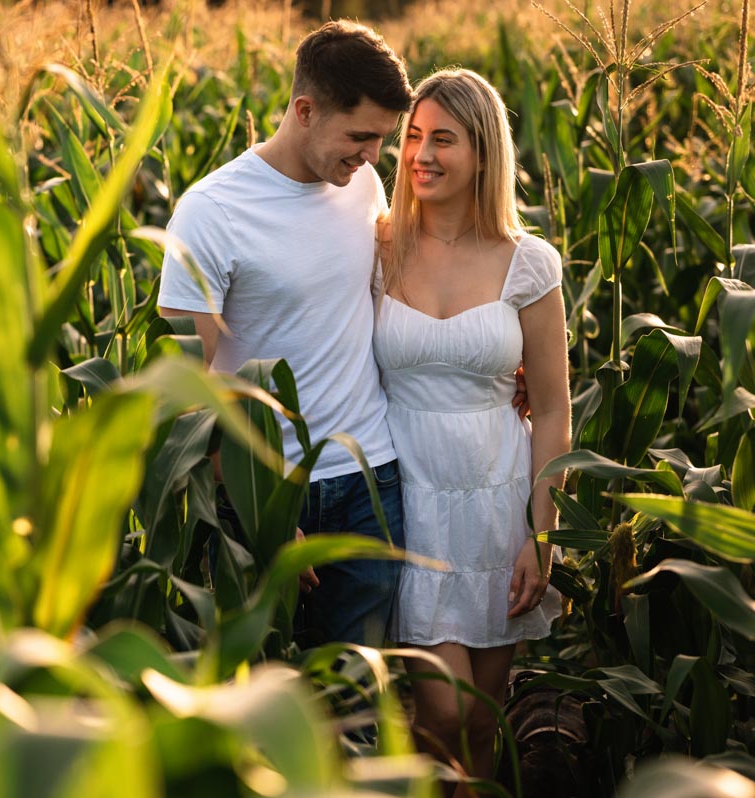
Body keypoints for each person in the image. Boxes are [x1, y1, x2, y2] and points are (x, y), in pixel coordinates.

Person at [157, 20, 413, 648]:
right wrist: (255, 509)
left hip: (369, 482)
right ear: (305, 110)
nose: (373, 156)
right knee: (265, 691)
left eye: (382, 139)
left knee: (356, 694)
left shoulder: (361, 186)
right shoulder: (212, 211)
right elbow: (199, 380)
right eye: (360, 136)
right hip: (267, 490)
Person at [372, 68, 570, 793]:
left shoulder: (529, 265)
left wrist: (540, 535)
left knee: (482, 721)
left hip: (495, 501)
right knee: (441, 710)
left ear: (483, 152)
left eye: (442, 140)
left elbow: (551, 407)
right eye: (413, 138)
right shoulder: (377, 249)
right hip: (409, 500)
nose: (420, 154)